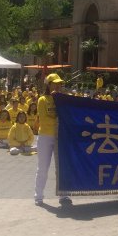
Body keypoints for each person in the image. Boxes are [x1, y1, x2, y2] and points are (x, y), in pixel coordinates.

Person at [35, 73, 69, 206]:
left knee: (61, 167)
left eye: (60, 83)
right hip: (45, 136)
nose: (58, 86)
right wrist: (59, 118)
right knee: (43, 167)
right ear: (49, 85)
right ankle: (38, 196)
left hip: (61, 136)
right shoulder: (42, 100)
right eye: (55, 83)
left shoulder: (63, 99)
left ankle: (64, 195)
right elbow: (44, 119)